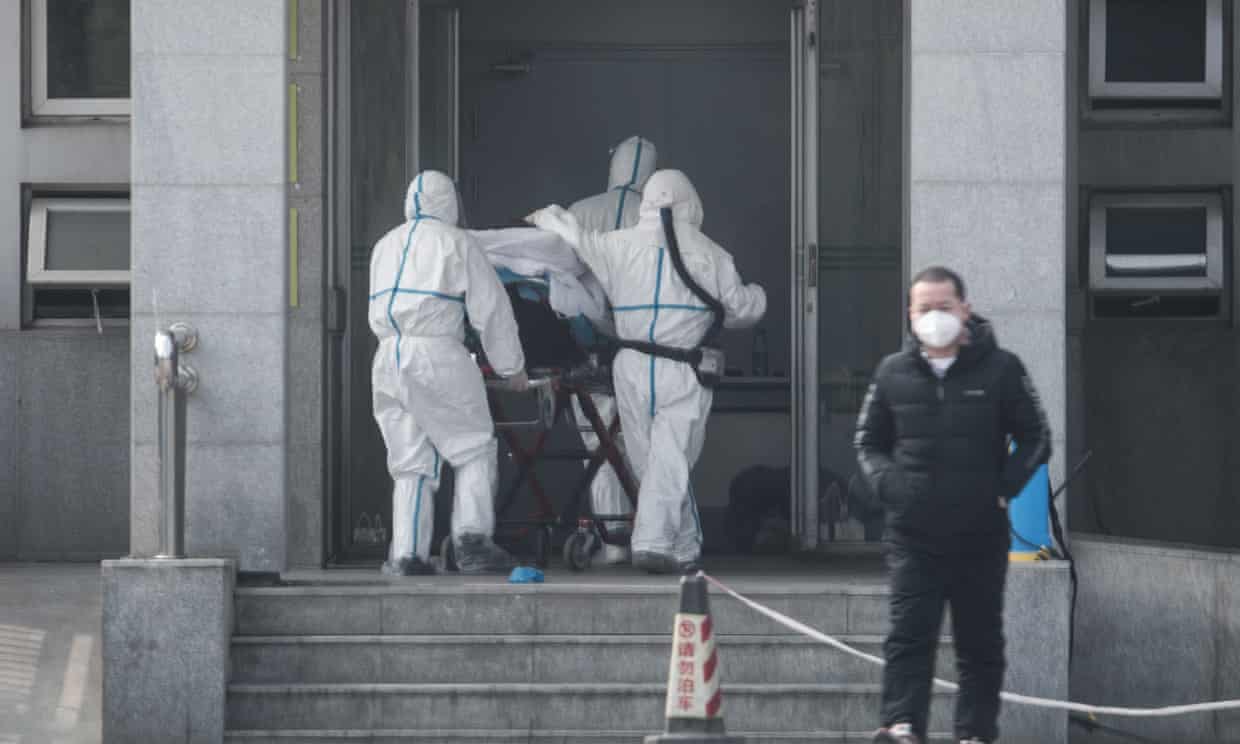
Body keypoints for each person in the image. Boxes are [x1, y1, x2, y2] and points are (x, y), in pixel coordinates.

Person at [527, 169, 767, 574]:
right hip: (682, 368)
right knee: (667, 459)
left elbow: (576, 236)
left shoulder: (616, 245)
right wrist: (759, 296)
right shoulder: (711, 254)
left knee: (651, 461)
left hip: (633, 367)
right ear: (691, 202)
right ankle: (660, 544)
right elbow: (741, 310)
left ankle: (677, 544)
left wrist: (545, 217)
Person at [854, 266, 1052, 744]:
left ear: (965, 309)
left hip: (979, 534)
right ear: (910, 314)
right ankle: (901, 726)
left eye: (944, 307)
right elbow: (868, 442)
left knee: (980, 643)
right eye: (924, 308)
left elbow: (1036, 437)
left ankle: (974, 733)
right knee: (908, 636)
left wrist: (1004, 488)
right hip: (912, 535)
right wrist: (889, 485)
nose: (934, 317)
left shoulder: (1002, 368)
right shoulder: (892, 372)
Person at [369, 170, 529, 576]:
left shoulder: (384, 246)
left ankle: (408, 554)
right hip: (436, 353)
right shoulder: (457, 243)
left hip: (388, 357)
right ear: (450, 202)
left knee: (410, 461)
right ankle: (472, 540)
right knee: (473, 446)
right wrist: (512, 368)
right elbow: (491, 310)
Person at [565, 135, 658, 565]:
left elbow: (558, 275)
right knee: (648, 441)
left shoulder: (581, 213)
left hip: (591, 348)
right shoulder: (659, 218)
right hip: (647, 347)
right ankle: (654, 535)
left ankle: (614, 539)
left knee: (599, 441)